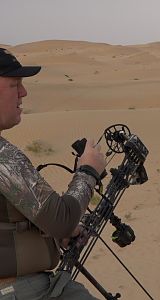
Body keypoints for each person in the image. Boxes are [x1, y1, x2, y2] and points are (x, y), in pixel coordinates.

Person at [0, 48, 106, 299]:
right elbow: (62, 219)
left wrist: (50, 237)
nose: (23, 92)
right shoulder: (3, 156)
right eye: (15, 84)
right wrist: (88, 171)